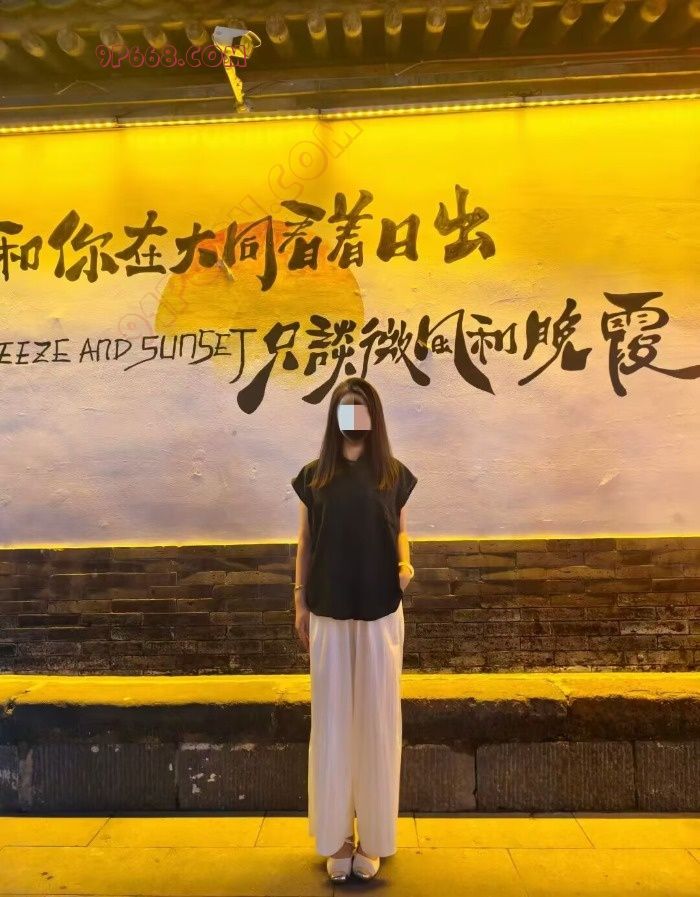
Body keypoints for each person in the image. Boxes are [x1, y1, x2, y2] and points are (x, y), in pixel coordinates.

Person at [290, 376, 418, 882]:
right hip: (328, 609)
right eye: (346, 409)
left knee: (377, 722)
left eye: (361, 409)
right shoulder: (313, 476)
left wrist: (405, 564)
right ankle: (338, 836)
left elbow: (401, 529)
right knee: (333, 724)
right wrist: (299, 600)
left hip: (381, 611)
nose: (354, 418)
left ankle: (374, 838)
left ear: (374, 417)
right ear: (335, 417)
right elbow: (304, 541)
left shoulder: (392, 474)